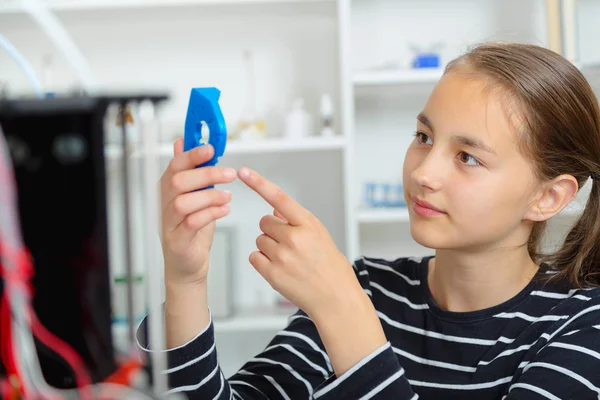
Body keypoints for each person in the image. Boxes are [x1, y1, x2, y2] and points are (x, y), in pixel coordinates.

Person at [137, 42, 600, 399]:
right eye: (423, 136)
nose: (422, 172)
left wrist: (344, 314)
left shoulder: (581, 327)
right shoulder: (368, 288)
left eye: (467, 157)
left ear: (547, 197)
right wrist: (185, 281)